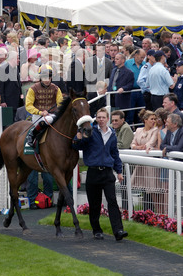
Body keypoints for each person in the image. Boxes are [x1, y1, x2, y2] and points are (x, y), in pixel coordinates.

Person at [72, 107, 127, 241]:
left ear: (107, 119)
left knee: (112, 201)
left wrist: (119, 171)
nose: (101, 120)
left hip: (108, 173)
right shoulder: (90, 132)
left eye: (103, 117)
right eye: (98, 117)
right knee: (95, 203)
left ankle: (118, 230)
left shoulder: (112, 134)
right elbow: (78, 146)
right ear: (95, 119)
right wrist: (78, 137)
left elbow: (114, 153)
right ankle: (96, 230)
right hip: (93, 172)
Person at [25, 65, 63, 209]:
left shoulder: (56, 88)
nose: (47, 80)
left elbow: (59, 103)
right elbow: (28, 106)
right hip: (37, 116)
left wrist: (53, 111)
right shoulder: (32, 89)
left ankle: (48, 198)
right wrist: (40, 112)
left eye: (49, 76)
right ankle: (31, 139)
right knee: (33, 174)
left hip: (51, 116)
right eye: (45, 76)